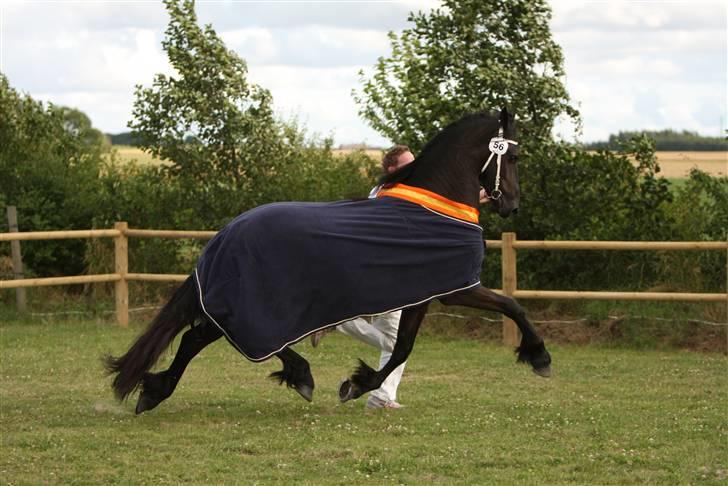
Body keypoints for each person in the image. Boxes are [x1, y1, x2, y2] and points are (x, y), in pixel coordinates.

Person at [311, 145, 490, 410]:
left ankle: (381, 396)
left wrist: (477, 196)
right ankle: (338, 325)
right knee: (396, 342)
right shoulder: (391, 192)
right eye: (408, 164)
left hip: (397, 275)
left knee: (395, 340)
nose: (415, 168)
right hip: (387, 275)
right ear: (392, 169)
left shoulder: (400, 191)